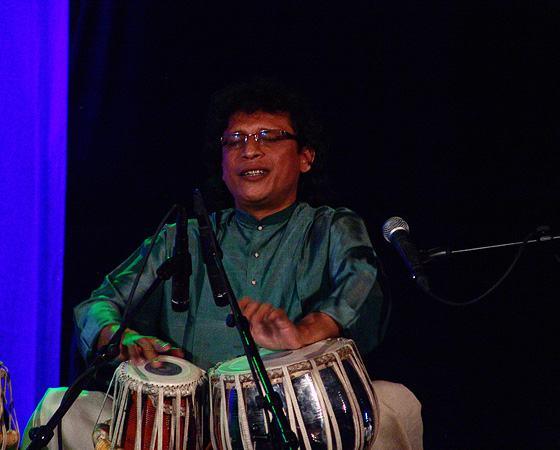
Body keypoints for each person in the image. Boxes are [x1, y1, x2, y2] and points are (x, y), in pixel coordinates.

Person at [22, 79, 422, 450]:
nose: (250, 150)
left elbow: (363, 280)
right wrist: (119, 336)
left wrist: (304, 332)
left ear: (305, 157)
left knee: (395, 403)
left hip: (298, 415)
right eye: (235, 140)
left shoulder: (331, 227)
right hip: (181, 419)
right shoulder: (183, 238)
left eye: (268, 136)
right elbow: (99, 302)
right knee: (59, 409)